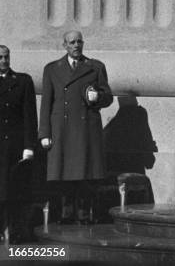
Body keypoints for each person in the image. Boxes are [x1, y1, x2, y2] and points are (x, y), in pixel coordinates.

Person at [39, 31, 113, 222]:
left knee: (84, 173)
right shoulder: (52, 69)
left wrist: (98, 97)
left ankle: (83, 213)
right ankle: (66, 212)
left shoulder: (95, 67)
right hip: (61, 128)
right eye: (72, 42)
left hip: (85, 128)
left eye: (79, 41)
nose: (76, 45)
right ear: (64, 45)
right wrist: (44, 133)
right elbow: (46, 103)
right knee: (64, 172)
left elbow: (108, 96)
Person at [0, 45, 37, 243]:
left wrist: (29, 146)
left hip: (14, 147)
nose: (4, 61)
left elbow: (29, 116)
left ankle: (14, 232)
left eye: (6, 57)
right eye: (0, 58)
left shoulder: (22, 81)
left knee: (13, 192)